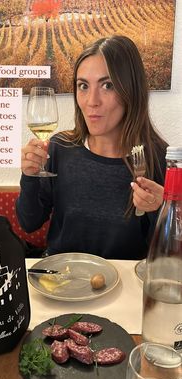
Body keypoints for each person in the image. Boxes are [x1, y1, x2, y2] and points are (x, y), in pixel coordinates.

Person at [16, 35, 168, 260]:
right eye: (83, 86)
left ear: (131, 91)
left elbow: (168, 251)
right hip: (60, 281)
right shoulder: (59, 148)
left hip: (124, 288)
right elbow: (29, 223)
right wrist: (29, 177)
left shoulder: (159, 157)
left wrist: (162, 210)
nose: (91, 101)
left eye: (108, 85)